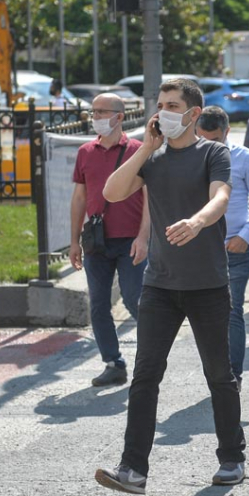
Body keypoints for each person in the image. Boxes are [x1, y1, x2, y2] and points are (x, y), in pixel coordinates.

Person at [94, 78, 246, 494]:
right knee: (145, 376)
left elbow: (220, 198)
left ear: (194, 114)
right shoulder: (153, 159)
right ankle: (133, 470)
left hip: (208, 283)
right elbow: (111, 192)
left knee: (219, 374)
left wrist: (197, 221)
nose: (163, 111)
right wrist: (145, 146)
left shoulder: (213, 152)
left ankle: (232, 457)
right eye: (159, 104)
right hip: (160, 285)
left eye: (172, 105)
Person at [69, 93, 150, 388]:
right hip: (97, 241)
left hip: (130, 239)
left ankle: (151, 356)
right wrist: (74, 240)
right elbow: (79, 198)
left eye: (102, 112)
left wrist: (143, 237)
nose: (96, 117)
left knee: (134, 298)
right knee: (99, 304)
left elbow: (148, 197)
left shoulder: (138, 150)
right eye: (93, 111)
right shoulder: (85, 152)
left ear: (119, 116)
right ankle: (113, 363)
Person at [196, 106, 249, 391]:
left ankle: (232, 376)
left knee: (231, 310)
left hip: (235, 247)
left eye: (214, 139)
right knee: (205, 314)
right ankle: (215, 370)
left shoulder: (243, 158)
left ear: (227, 132)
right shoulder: (192, 156)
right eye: (202, 137)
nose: (208, 144)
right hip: (200, 249)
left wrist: (246, 235)